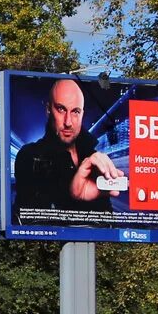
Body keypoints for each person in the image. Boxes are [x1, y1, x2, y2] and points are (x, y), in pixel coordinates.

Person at [12, 78, 125, 223]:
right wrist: (73, 193)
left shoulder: (94, 158)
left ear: (82, 114)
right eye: (61, 109)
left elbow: (107, 222)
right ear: (48, 110)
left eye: (75, 112)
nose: (68, 122)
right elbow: (28, 218)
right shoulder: (30, 155)